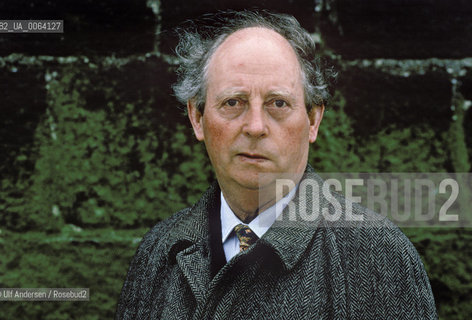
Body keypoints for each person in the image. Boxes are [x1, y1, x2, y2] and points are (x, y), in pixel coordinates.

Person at [116, 10, 437, 319]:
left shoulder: (379, 257)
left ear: (313, 119)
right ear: (197, 117)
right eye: (233, 102)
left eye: (278, 103)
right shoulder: (157, 253)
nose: (255, 126)